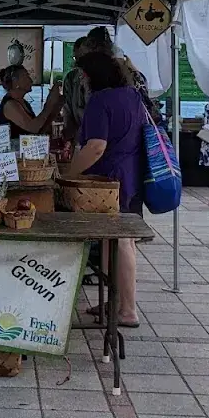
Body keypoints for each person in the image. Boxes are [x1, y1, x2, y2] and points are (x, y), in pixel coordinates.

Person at [66, 50, 146, 327]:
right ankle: (117, 301)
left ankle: (127, 309)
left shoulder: (101, 101)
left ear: (89, 76)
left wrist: (68, 173)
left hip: (109, 181)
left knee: (122, 241)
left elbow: (96, 147)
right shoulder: (132, 96)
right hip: (130, 176)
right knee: (119, 240)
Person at [0, 65, 62, 138]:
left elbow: (39, 130)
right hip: (16, 148)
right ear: (15, 82)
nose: (31, 80)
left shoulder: (24, 103)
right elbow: (33, 128)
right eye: (26, 77)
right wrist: (49, 103)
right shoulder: (10, 105)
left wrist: (55, 109)